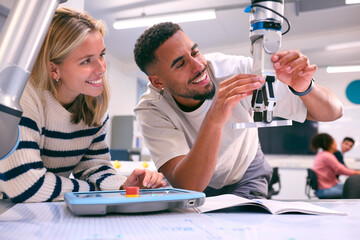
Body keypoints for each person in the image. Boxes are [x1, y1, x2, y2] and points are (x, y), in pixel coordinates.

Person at [133, 22, 343, 199]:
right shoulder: (151, 108)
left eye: (195, 52)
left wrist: (304, 87)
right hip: (194, 179)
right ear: (157, 81)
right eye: (180, 64)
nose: (198, 66)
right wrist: (214, 119)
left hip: (246, 170)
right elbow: (188, 185)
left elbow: (332, 112)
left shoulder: (234, 71)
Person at [0, 7, 166, 203]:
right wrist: (96, 190)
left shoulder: (93, 103)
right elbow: (25, 184)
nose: (101, 68)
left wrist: (123, 186)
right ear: (54, 69)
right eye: (86, 61)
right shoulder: (22, 98)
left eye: (101, 55)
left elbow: (93, 167)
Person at [310, 133, 360, 198]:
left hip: (326, 186)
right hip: (325, 189)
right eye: (334, 142)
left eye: (350, 146)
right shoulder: (328, 156)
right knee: (355, 190)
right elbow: (341, 170)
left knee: (353, 187)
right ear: (331, 144)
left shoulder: (322, 154)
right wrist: (357, 172)